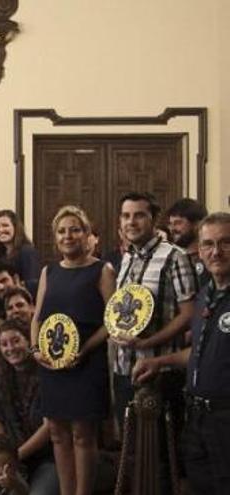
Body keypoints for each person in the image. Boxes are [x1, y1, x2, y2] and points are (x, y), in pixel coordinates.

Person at [132, 212, 230, 493]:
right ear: (199, 251)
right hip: (198, 419)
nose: (216, 252)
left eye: (225, 243)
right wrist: (160, 361)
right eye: (208, 244)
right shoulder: (204, 296)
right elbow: (200, 353)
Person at [31, 205, 114, 495]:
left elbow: (112, 321)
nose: (68, 236)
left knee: (82, 434)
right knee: (57, 433)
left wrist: (85, 348)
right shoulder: (48, 271)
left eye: (75, 229)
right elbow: (38, 317)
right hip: (53, 365)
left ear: (87, 234)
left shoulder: (101, 270)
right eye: (62, 231)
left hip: (87, 364)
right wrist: (35, 349)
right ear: (55, 237)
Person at [110, 192, 196, 466]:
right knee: (132, 457)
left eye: (139, 215)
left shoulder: (174, 257)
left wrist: (149, 343)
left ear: (154, 218)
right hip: (124, 369)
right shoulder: (126, 259)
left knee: (161, 459)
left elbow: (189, 313)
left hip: (159, 372)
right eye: (126, 216)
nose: (131, 222)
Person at [0, 319, 57, 495]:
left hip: (47, 457)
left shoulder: (45, 372)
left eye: (16, 340)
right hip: (10, 459)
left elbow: (49, 426)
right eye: (4, 344)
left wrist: (17, 455)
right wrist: (4, 455)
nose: (10, 348)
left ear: (28, 340)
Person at [0, 210, 40, 292]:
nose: (1, 230)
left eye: (5, 225)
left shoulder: (27, 252)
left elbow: (33, 283)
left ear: (15, 227)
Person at [166, 198, 209, 286]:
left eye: (178, 223)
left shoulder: (210, 258)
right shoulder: (171, 259)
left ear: (197, 225)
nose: (172, 229)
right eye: (170, 224)